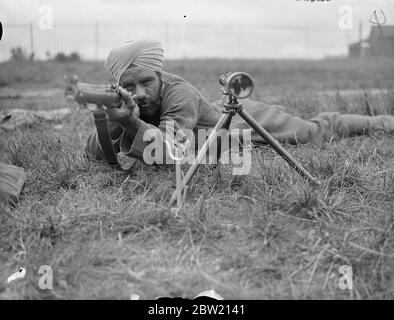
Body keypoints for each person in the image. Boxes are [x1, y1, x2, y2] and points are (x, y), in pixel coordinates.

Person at [86, 39, 394, 165]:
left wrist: (129, 122)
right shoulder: (123, 101)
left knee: (314, 131)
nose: (138, 92)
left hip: (242, 121)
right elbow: (94, 153)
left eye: (146, 82)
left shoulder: (178, 91)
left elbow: (169, 152)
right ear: (117, 86)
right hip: (215, 140)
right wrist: (113, 118)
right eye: (129, 86)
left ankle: (380, 122)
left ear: (160, 75)